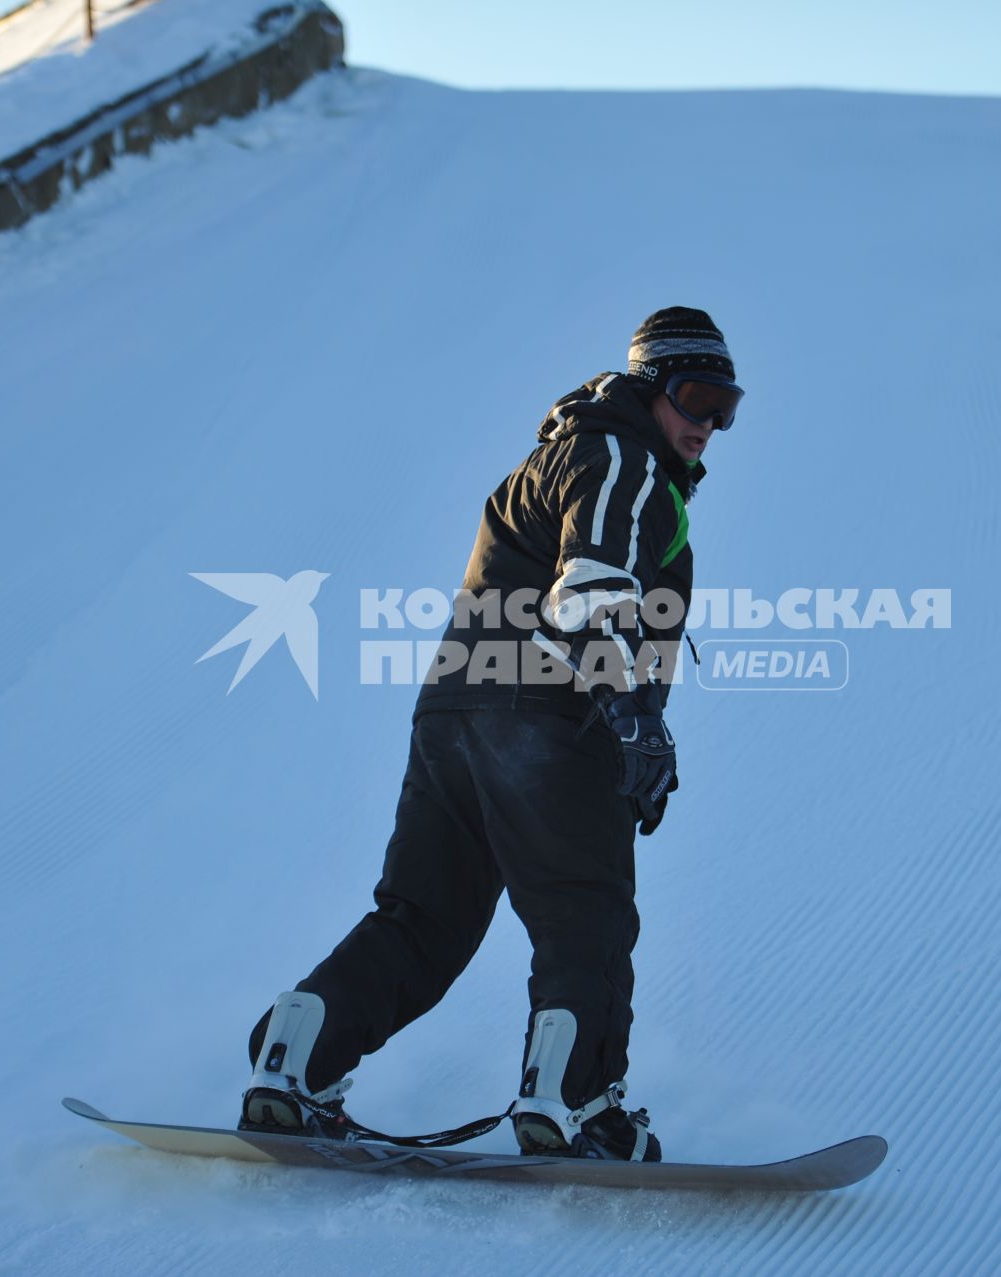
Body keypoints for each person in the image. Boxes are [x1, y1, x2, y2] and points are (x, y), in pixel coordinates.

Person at [238, 307, 742, 1162]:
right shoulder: (622, 457)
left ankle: (293, 1060)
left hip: (453, 716)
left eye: (726, 407)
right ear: (650, 387)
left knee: (423, 919)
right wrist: (633, 719)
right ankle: (574, 1104)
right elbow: (587, 591)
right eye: (694, 396)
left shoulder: (560, 455)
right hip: (548, 712)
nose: (706, 424)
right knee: (585, 914)